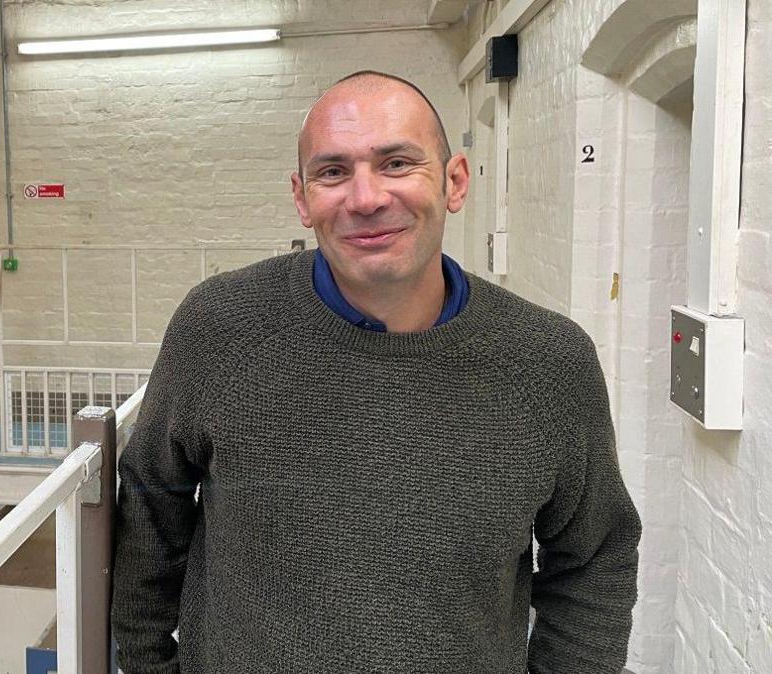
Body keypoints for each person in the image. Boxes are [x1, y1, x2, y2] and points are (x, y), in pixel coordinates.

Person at [110, 70, 641, 674]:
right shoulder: (220, 328)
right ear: (302, 197)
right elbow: (153, 506)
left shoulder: (548, 362)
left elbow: (594, 555)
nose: (365, 199)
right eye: (333, 172)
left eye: (396, 163)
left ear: (455, 181)